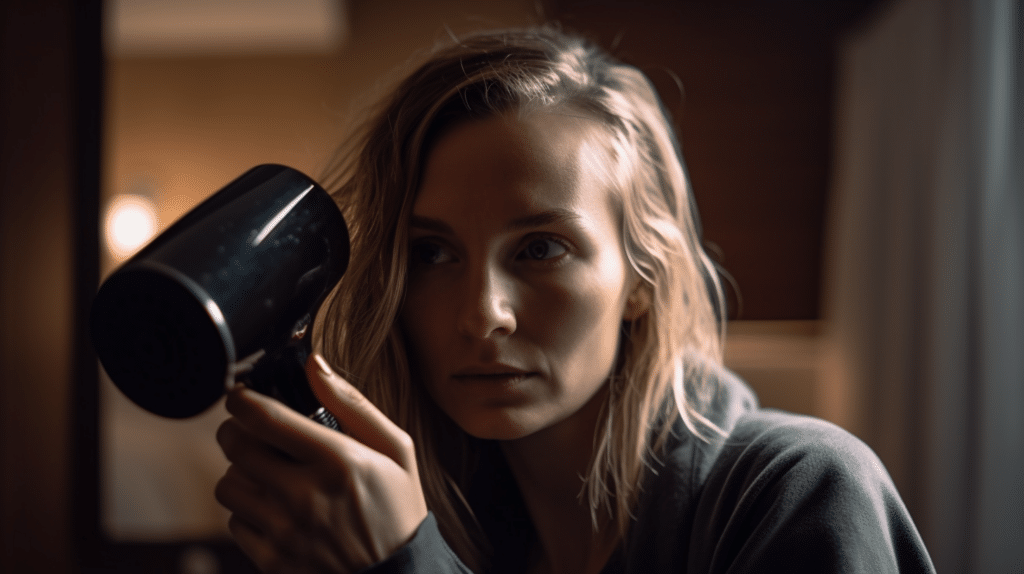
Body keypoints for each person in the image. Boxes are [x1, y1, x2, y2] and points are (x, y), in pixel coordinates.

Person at [213, 27, 936, 574]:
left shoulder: (798, 494)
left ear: (641, 280)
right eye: (431, 253)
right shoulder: (445, 513)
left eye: (540, 248)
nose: (482, 313)